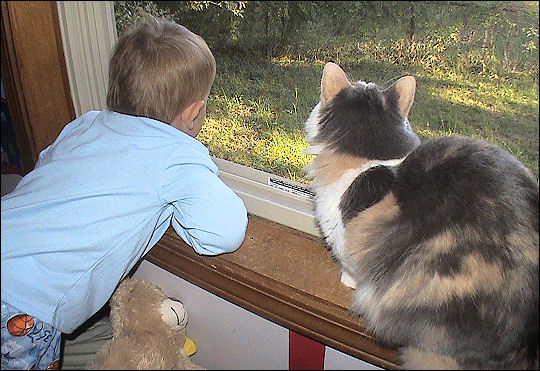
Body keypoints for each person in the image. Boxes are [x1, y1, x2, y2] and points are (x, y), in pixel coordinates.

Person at [1, 15, 248, 370]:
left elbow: (47, 168)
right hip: (23, 305)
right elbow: (223, 232)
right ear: (194, 111)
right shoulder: (177, 155)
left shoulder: (86, 123)